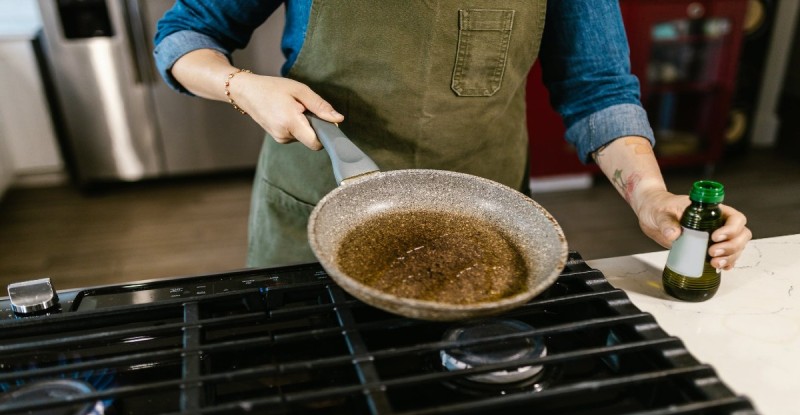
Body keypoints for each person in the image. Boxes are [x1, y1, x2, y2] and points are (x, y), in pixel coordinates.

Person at [153, 0, 751, 270]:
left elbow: (597, 86)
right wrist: (240, 85)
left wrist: (650, 195)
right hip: (315, 210)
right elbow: (185, 33)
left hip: (481, 225)